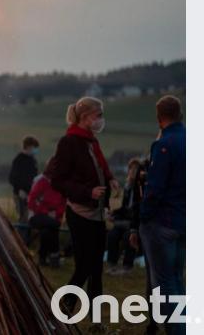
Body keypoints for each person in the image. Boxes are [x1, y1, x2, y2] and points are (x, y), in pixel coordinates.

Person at [48, 96, 119, 322]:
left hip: (96, 213)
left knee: (96, 267)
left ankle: (96, 318)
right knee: (85, 265)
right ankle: (64, 307)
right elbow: (57, 180)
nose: (101, 120)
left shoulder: (91, 142)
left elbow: (98, 169)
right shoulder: (69, 143)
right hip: (80, 213)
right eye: (98, 115)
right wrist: (87, 192)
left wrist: (110, 181)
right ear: (86, 117)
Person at [133, 95, 186, 335]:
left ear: (158, 118)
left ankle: (177, 331)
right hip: (184, 220)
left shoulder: (164, 145)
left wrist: (143, 217)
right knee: (177, 279)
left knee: (164, 284)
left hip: (162, 222)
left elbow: (155, 189)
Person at [105, 158, 144, 276]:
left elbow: (137, 209)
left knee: (129, 236)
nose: (131, 172)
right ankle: (112, 264)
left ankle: (127, 266)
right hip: (125, 221)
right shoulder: (127, 187)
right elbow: (124, 208)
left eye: (134, 170)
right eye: (130, 169)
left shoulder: (141, 188)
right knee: (112, 235)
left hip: (135, 223)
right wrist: (113, 214)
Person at [27, 161, 66, 268]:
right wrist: (46, 212)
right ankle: (55, 256)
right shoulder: (42, 182)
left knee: (47, 231)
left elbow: (62, 204)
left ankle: (43, 258)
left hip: (52, 218)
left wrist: (57, 214)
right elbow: (31, 200)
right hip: (37, 216)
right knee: (54, 225)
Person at [8, 136, 39, 223]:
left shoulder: (33, 161)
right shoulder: (18, 160)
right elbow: (12, 178)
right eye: (34, 148)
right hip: (20, 195)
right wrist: (19, 190)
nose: (35, 150)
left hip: (30, 195)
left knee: (29, 219)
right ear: (29, 147)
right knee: (23, 219)